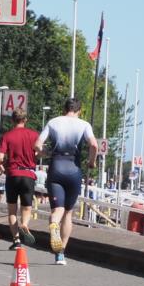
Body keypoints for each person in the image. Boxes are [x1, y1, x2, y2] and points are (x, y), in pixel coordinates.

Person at [35, 97, 98, 265]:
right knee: (68, 212)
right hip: (74, 169)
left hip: (56, 168)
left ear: (64, 109)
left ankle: (53, 224)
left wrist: (46, 153)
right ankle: (61, 253)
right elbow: (93, 145)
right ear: (79, 110)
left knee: (57, 210)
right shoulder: (84, 125)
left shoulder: (53, 122)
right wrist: (91, 162)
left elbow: (37, 145)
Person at [0, 108, 40, 250]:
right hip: (28, 175)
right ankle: (25, 224)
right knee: (27, 207)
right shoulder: (34, 135)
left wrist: (3, 165)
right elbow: (39, 152)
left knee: (12, 210)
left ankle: (16, 241)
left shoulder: (7, 136)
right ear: (25, 120)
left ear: (12, 120)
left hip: (13, 175)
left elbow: (0, 157)